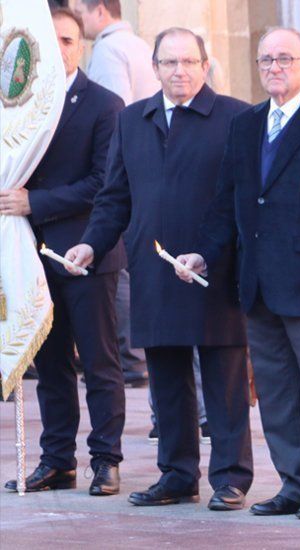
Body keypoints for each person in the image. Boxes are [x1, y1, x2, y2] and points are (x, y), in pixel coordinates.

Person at [64, 28, 253, 511]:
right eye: (169, 63)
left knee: (223, 378)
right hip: (153, 268)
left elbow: (239, 198)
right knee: (167, 377)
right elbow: (114, 197)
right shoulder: (133, 119)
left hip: (215, 267)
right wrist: (91, 244)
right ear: (154, 67)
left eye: (189, 62)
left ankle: (230, 477)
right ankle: (177, 475)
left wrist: (214, 252)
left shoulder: (234, 116)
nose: (179, 71)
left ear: (205, 66)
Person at [179, 27, 300, 519]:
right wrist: (204, 255)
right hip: (257, 282)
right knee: (274, 392)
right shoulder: (247, 123)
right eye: (265, 61)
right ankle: (294, 483)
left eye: (284, 59)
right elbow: (227, 202)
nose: (273, 68)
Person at [1, 7, 125, 497]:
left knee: (98, 362)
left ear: (82, 46)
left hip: (85, 249)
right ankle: (57, 461)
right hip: (31, 251)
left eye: (68, 40)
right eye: (49, 40)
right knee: (50, 365)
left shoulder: (104, 104)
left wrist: (37, 200)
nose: (59, 49)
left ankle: (106, 460)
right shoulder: (16, 105)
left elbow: (104, 183)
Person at [73, 0, 158, 391]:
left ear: (100, 11)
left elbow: (113, 114)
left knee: (118, 265)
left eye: (80, 11)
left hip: (125, 172)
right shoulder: (139, 45)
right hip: (153, 166)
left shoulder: (108, 49)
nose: (78, 19)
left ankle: (128, 356)